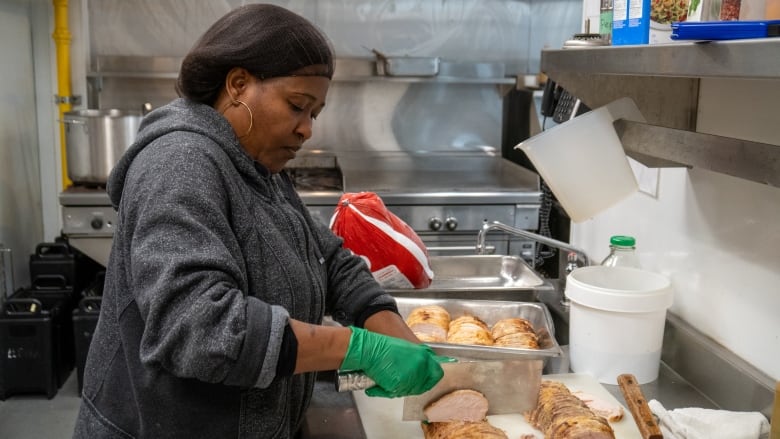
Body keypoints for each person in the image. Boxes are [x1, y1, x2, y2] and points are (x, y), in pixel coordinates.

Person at [72, 4, 448, 438]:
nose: (307, 129)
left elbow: (325, 257)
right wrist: (357, 349)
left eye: (314, 114)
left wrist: (391, 330)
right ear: (238, 84)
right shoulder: (179, 164)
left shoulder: (256, 167)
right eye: (297, 106)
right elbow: (200, 328)